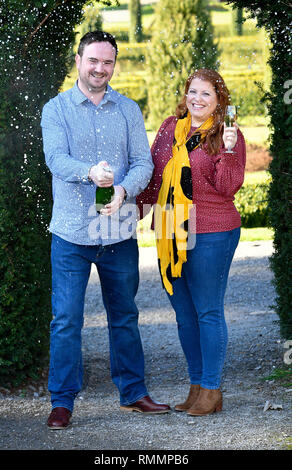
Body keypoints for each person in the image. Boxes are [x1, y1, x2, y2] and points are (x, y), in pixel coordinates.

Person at [41, 31, 170, 430]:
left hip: (118, 233)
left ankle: (133, 392)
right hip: (71, 234)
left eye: (108, 62)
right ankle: (62, 403)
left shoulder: (129, 109)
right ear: (78, 61)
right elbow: (55, 159)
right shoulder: (56, 109)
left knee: (125, 316)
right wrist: (89, 173)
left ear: (115, 64)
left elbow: (142, 164)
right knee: (66, 320)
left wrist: (124, 189)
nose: (100, 69)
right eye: (93, 60)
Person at [137, 68, 246, 416]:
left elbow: (228, 186)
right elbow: (154, 177)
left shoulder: (226, 134)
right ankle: (197, 385)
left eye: (206, 95)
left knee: (208, 311)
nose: (197, 100)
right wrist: (129, 209)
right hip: (170, 228)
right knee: (184, 315)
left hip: (212, 229)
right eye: (192, 92)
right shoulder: (171, 127)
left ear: (219, 101)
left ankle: (212, 391)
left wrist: (228, 151)